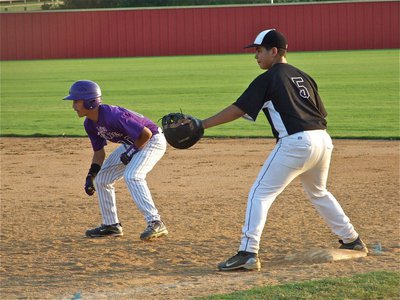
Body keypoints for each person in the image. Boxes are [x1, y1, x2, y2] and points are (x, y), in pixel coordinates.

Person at [201, 29, 368, 271]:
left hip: (296, 142)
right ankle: (352, 239)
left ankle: (248, 252)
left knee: (260, 194)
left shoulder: (269, 78)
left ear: (274, 51)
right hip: (323, 140)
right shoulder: (305, 77)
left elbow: (239, 108)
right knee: (318, 192)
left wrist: (202, 124)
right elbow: (321, 114)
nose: (255, 56)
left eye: (259, 50)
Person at [63, 80, 168, 241]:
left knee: (133, 176)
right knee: (102, 179)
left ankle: (155, 221)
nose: (73, 106)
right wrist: (90, 176)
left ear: (90, 102)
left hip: (152, 140)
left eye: (76, 101)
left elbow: (145, 134)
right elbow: (99, 153)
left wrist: (132, 151)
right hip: (133, 143)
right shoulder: (90, 124)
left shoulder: (113, 115)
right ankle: (111, 225)